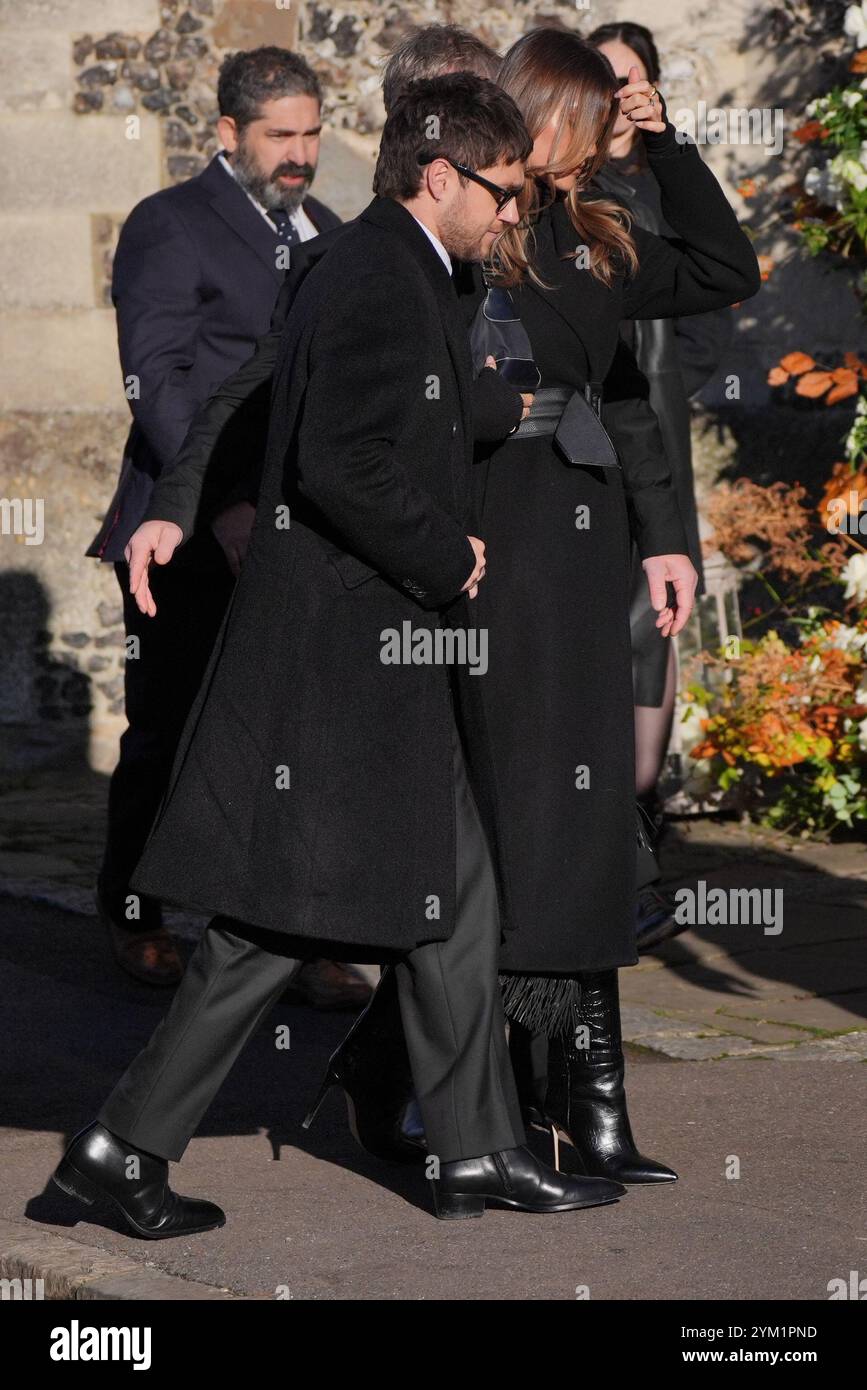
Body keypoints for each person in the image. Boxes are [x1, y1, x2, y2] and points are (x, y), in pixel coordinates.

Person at [53, 74, 627, 1233]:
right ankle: (118, 1150)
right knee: (272, 923)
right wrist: (444, 551)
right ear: (443, 177)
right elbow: (335, 457)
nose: (517, 214)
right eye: (506, 194)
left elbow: (320, 402)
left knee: (457, 889)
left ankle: (475, 1151)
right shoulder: (374, 271)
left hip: (381, 644)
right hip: (347, 648)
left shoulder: (400, 264)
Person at [448, 28, 759, 1184]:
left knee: (593, 825)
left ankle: (600, 1104)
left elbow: (724, 277)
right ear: (540, 118)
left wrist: (669, 145)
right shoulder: (476, 235)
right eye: (595, 121)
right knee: (517, 827)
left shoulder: (598, 232)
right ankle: (472, 1094)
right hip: (493, 548)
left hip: (583, 552)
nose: (605, 144)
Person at [87, 46, 363, 1009]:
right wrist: (221, 506)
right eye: (278, 136)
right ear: (226, 135)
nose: (298, 154)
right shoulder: (170, 226)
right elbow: (156, 380)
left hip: (300, 531)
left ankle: (294, 935)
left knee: (300, 737)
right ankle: (137, 915)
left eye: (311, 134)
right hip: (183, 529)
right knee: (170, 730)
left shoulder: (329, 230)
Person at [589, 20, 736, 953]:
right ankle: (616, 863)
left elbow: (723, 278)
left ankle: (636, 838)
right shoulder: (565, 192)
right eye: (597, 80)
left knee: (653, 631)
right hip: (591, 433)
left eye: (628, 79)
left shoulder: (658, 184)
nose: (614, 95)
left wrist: (668, 137)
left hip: (653, 429)